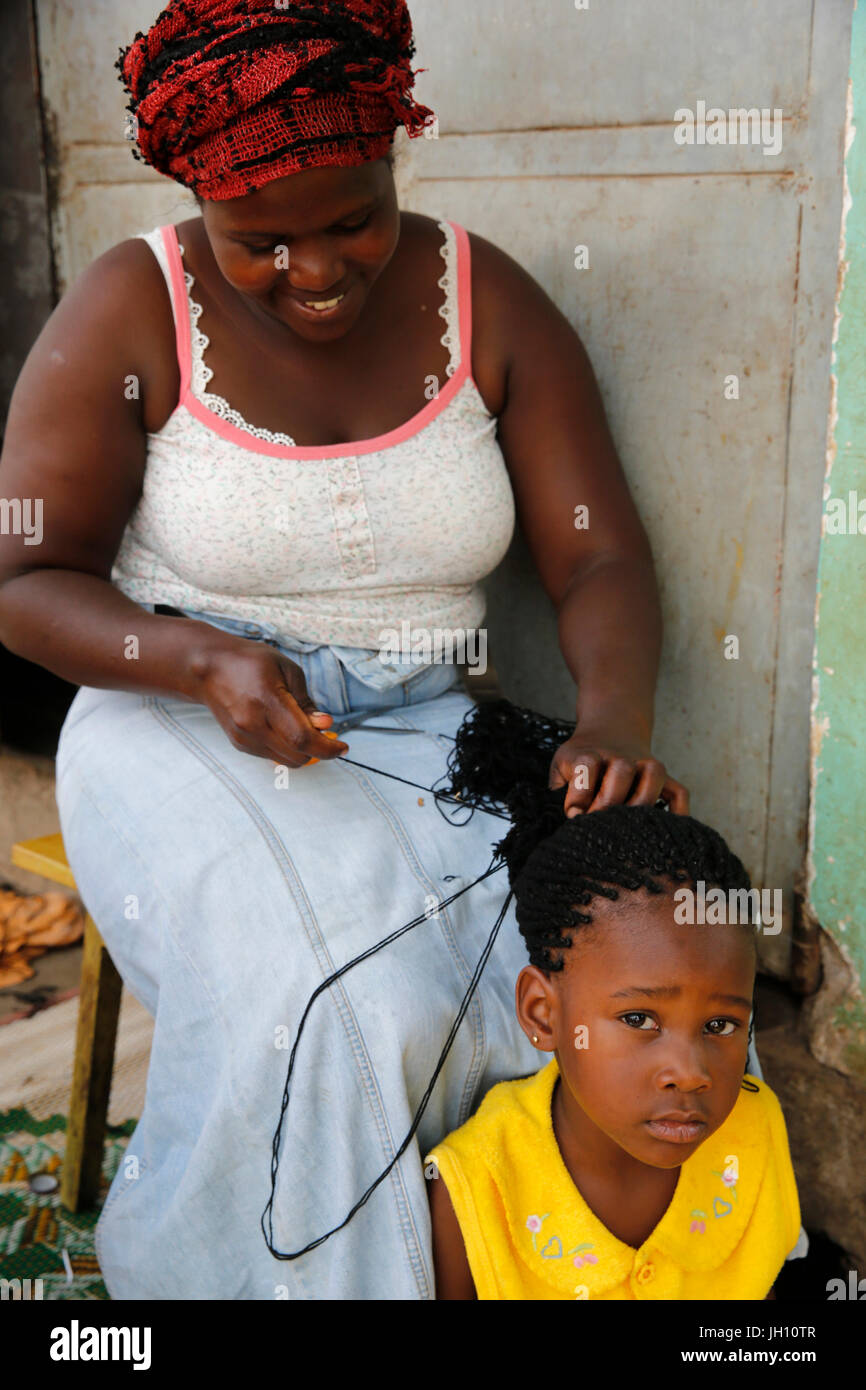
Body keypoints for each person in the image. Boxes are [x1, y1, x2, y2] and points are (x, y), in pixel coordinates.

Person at [0, 0, 688, 1299]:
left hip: (428, 724)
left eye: (352, 221)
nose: (313, 271)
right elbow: (25, 578)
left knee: (617, 947)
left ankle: (534, 1266)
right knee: (340, 1003)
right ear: (192, 196)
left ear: (395, 156)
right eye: (259, 241)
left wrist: (609, 714)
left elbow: (595, 553)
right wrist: (194, 658)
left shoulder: (488, 303)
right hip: (168, 717)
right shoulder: (130, 310)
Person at [424, 702, 802, 1300]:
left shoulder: (754, 1133)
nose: (690, 1072)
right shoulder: (477, 1189)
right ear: (543, 1014)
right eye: (638, 1018)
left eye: (722, 1023)